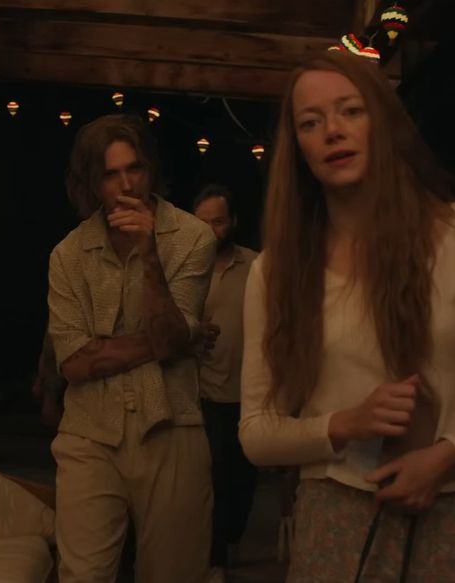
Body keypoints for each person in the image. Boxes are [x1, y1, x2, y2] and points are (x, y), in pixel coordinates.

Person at [239, 49, 455, 582]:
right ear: (298, 149)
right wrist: (345, 424)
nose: (332, 131)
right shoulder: (278, 270)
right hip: (335, 513)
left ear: (382, 121)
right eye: (311, 122)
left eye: (351, 111)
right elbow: (257, 433)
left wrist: (448, 456)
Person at [47, 113, 216, 582]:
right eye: (111, 174)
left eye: (134, 168)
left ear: (150, 168)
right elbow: (74, 364)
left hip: (171, 425)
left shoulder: (193, 237)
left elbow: (169, 338)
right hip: (88, 432)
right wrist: (184, 339)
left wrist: (149, 255)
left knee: (174, 573)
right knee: (82, 575)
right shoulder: (67, 254)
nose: (127, 185)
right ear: (91, 183)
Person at [191, 184, 258, 581]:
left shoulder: (256, 266)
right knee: (210, 473)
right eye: (202, 223)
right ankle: (214, 558)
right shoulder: (181, 267)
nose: (211, 231)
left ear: (232, 222)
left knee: (243, 474)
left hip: (247, 390)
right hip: (199, 390)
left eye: (218, 222)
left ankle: (230, 535)